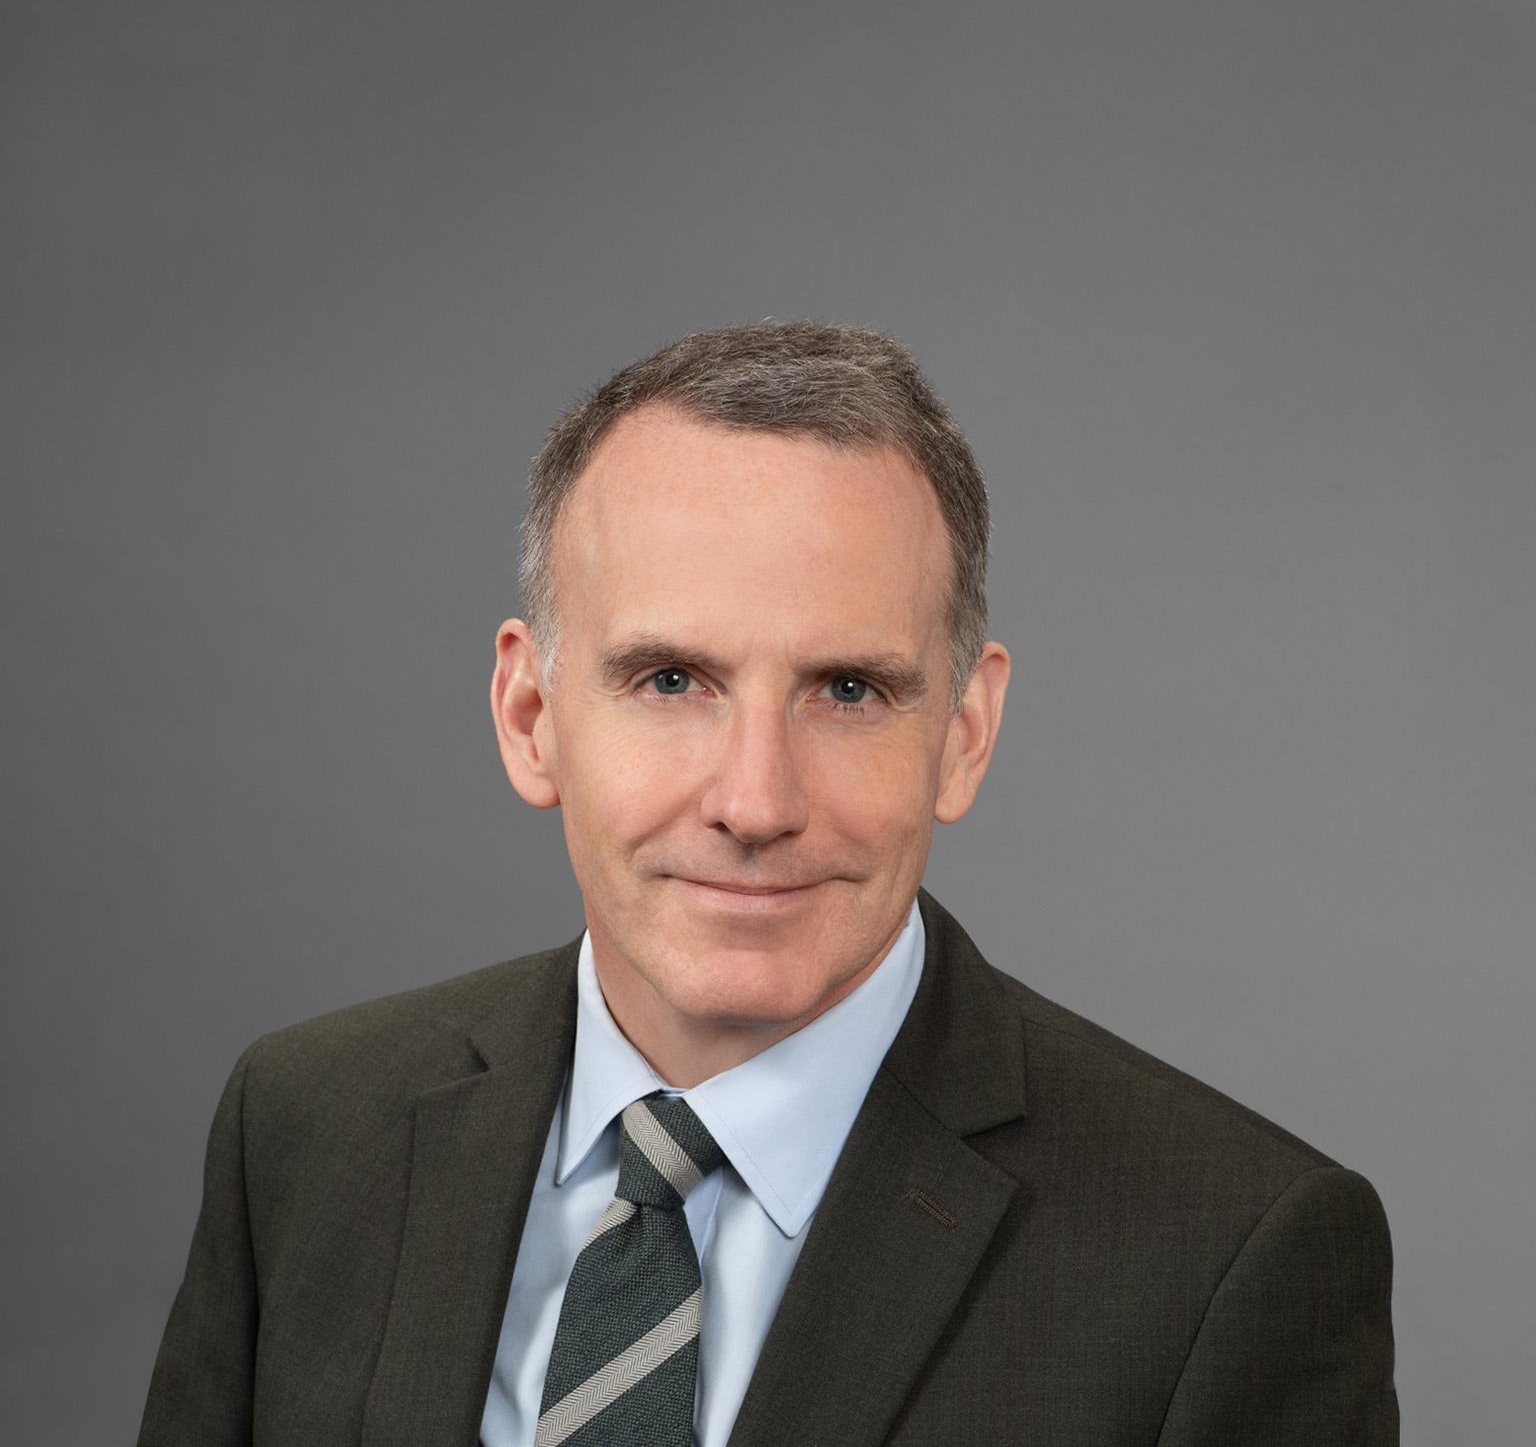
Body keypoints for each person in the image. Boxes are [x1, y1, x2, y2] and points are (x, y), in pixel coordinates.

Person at [139, 323, 1398, 1446]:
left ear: (963, 732)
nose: (755, 802)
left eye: (848, 691)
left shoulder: (1229, 1258)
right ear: (531, 716)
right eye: (672, 682)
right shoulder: (306, 1134)